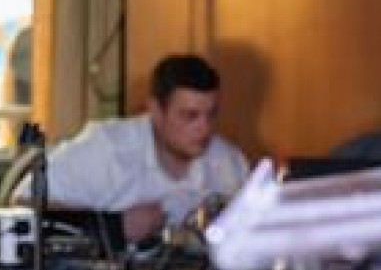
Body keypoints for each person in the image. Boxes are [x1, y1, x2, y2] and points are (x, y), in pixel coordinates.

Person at [18, 54, 248, 243]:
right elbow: (21, 206)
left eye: (211, 115)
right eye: (190, 116)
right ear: (156, 111)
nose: (204, 128)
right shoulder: (106, 148)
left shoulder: (229, 163)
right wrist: (112, 226)